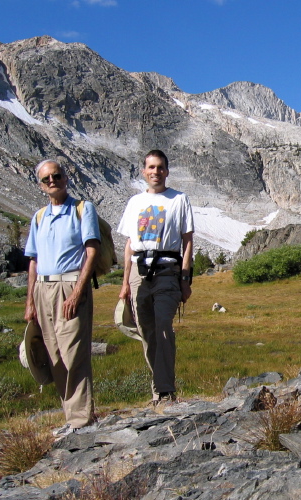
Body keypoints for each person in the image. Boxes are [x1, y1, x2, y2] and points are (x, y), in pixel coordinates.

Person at [24, 159, 100, 433]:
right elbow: (33, 260)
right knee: (54, 354)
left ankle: (81, 420)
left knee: (74, 352)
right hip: (42, 289)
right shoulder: (39, 216)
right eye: (46, 179)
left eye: (56, 176)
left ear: (66, 178)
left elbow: (91, 250)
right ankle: (72, 417)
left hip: (70, 285)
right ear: (41, 185)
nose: (52, 181)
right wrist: (30, 301)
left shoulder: (82, 209)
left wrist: (78, 291)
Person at [118, 149, 194, 405]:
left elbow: (187, 241)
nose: (155, 172)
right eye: (151, 167)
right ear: (144, 172)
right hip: (138, 273)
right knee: (147, 331)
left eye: (160, 167)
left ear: (167, 171)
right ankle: (159, 389)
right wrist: (124, 285)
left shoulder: (179, 199)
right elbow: (129, 244)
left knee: (163, 327)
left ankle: (165, 389)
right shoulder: (134, 203)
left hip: (167, 271)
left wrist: (185, 279)